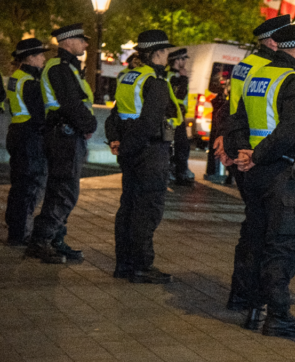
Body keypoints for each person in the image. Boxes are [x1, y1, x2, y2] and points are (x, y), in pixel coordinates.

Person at [225, 22, 295, 338]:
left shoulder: (258, 76)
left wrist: (241, 151)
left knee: (257, 239)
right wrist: (257, 154)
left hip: (255, 174)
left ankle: (255, 308)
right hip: (280, 173)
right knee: (284, 245)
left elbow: (237, 120)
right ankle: (278, 315)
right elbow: (289, 131)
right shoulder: (294, 83)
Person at [216, 15, 295, 312]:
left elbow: (234, 109)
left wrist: (232, 144)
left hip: (249, 155)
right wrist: (242, 150)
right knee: (270, 234)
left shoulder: (249, 66)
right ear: (272, 40)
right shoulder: (264, 69)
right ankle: (262, 297)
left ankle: (246, 296)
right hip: (264, 160)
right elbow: (246, 112)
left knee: (254, 229)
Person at [105, 29, 181, 284]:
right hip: (150, 152)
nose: (168, 56)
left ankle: (123, 264)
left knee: (128, 207)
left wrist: (117, 140)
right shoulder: (156, 83)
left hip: (131, 151)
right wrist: (127, 145)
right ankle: (141, 265)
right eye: (166, 51)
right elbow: (149, 122)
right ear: (157, 53)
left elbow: (115, 114)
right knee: (147, 209)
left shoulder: (129, 77)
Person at [25, 24, 97, 264]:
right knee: (64, 191)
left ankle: (55, 239)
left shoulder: (68, 68)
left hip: (67, 134)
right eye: (81, 40)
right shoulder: (60, 67)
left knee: (61, 189)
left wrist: (83, 126)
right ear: (68, 41)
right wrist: (89, 126)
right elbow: (71, 103)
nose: (85, 44)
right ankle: (41, 241)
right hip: (63, 135)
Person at [5, 39, 49, 246]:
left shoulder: (17, 77)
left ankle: (15, 229)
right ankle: (21, 234)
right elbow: (40, 113)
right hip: (30, 136)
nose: (43, 58)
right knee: (30, 186)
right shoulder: (30, 82)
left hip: (17, 132)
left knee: (19, 185)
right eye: (40, 55)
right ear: (30, 57)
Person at [166, 48, 194, 186]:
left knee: (180, 146)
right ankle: (179, 174)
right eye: (183, 59)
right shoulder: (173, 76)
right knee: (180, 146)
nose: (185, 62)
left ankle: (178, 173)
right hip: (174, 116)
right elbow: (179, 95)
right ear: (177, 60)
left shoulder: (171, 75)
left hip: (177, 116)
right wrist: (184, 78)